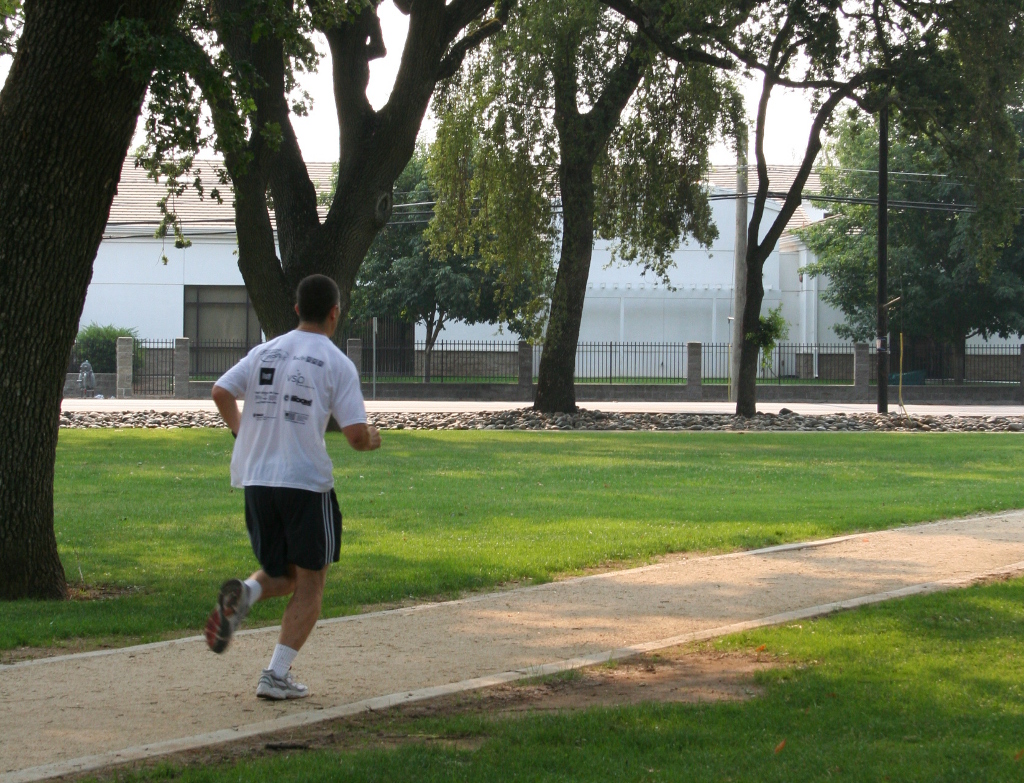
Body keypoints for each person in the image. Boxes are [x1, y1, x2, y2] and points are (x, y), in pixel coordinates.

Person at [206, 274, 381, 700]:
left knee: (283, 575)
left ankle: (244, 594)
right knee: (311, 583)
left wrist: (240, 432)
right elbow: (356, 436)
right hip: (304, 483)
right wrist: (371, 438)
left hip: (255, 479)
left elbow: (220, 391)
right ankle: (276, 675)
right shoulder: (336, 362)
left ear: (298, 309)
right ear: (335, 313)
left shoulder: (265, 350)